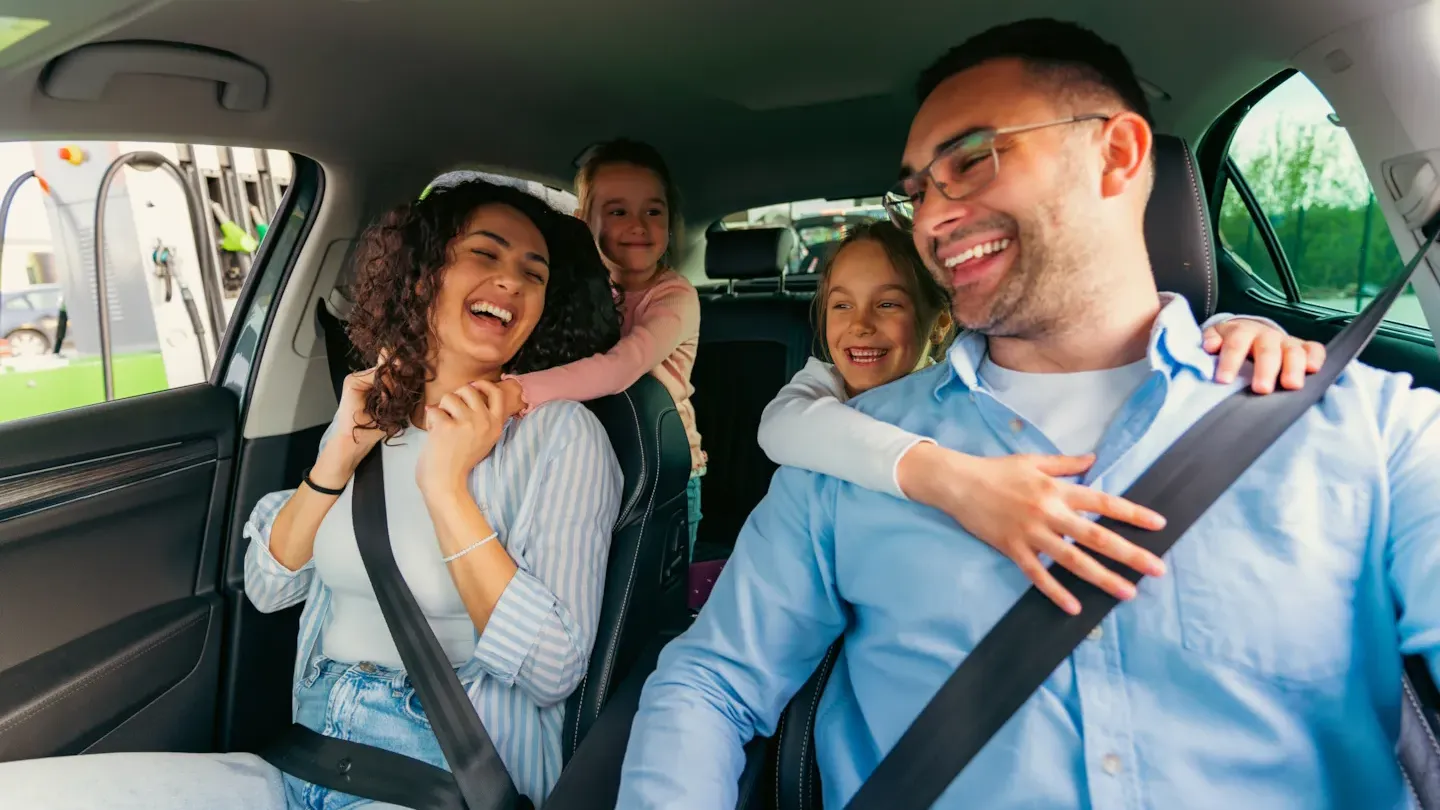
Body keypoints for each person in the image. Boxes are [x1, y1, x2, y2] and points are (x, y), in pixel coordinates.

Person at [617, 18, 1440, 810]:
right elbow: (711, 684)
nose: (933, 218)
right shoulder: (844, 461)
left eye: (972, 160)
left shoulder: (1362, 431)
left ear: (1116, 155)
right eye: (917, 191)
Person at [0, 179, 624, 810]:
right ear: (420, 276)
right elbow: (269, 585)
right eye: (484, 255)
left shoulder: (561, 437)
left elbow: (554, 668)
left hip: (441, 774)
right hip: (308, 748)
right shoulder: (371, 411)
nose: (512, 281)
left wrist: (446, 488)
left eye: (533, 273)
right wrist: (336, 459)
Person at [755, 220, 1324, 612]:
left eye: (888, 304)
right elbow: (781, 425)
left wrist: (1230, 335)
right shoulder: (822, 386)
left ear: (939, 323)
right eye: (841, 305)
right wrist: (950, 479)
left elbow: (1142, 363)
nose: (859, 324)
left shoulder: (994, 397)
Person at [498, 139, 706, 560]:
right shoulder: (579, 293)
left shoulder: (674, 297)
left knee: (645, 594)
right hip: (591, 459)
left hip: (662, 470)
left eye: (653, 211)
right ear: (582, 221)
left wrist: (513, 391)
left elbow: (620, 368)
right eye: (617, 212)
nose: (638, 225)